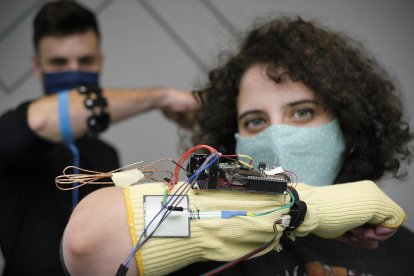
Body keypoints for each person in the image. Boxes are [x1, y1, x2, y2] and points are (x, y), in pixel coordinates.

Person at [61, 15, 414, 275]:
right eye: (255, 121)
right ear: (233, 138)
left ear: (347, 128)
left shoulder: (402, 251)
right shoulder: (206, 227)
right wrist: (305, 208)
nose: (277, 135)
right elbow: (87, 240)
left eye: (302, 112)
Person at [0, 1, 197, 275]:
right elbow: (42, 120)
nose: (73, 71)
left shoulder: (106, 154)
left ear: (100, 61)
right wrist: (161, 97)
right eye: (58, 62)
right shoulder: (10, 133)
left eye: (85, 61)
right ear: (37, 66)